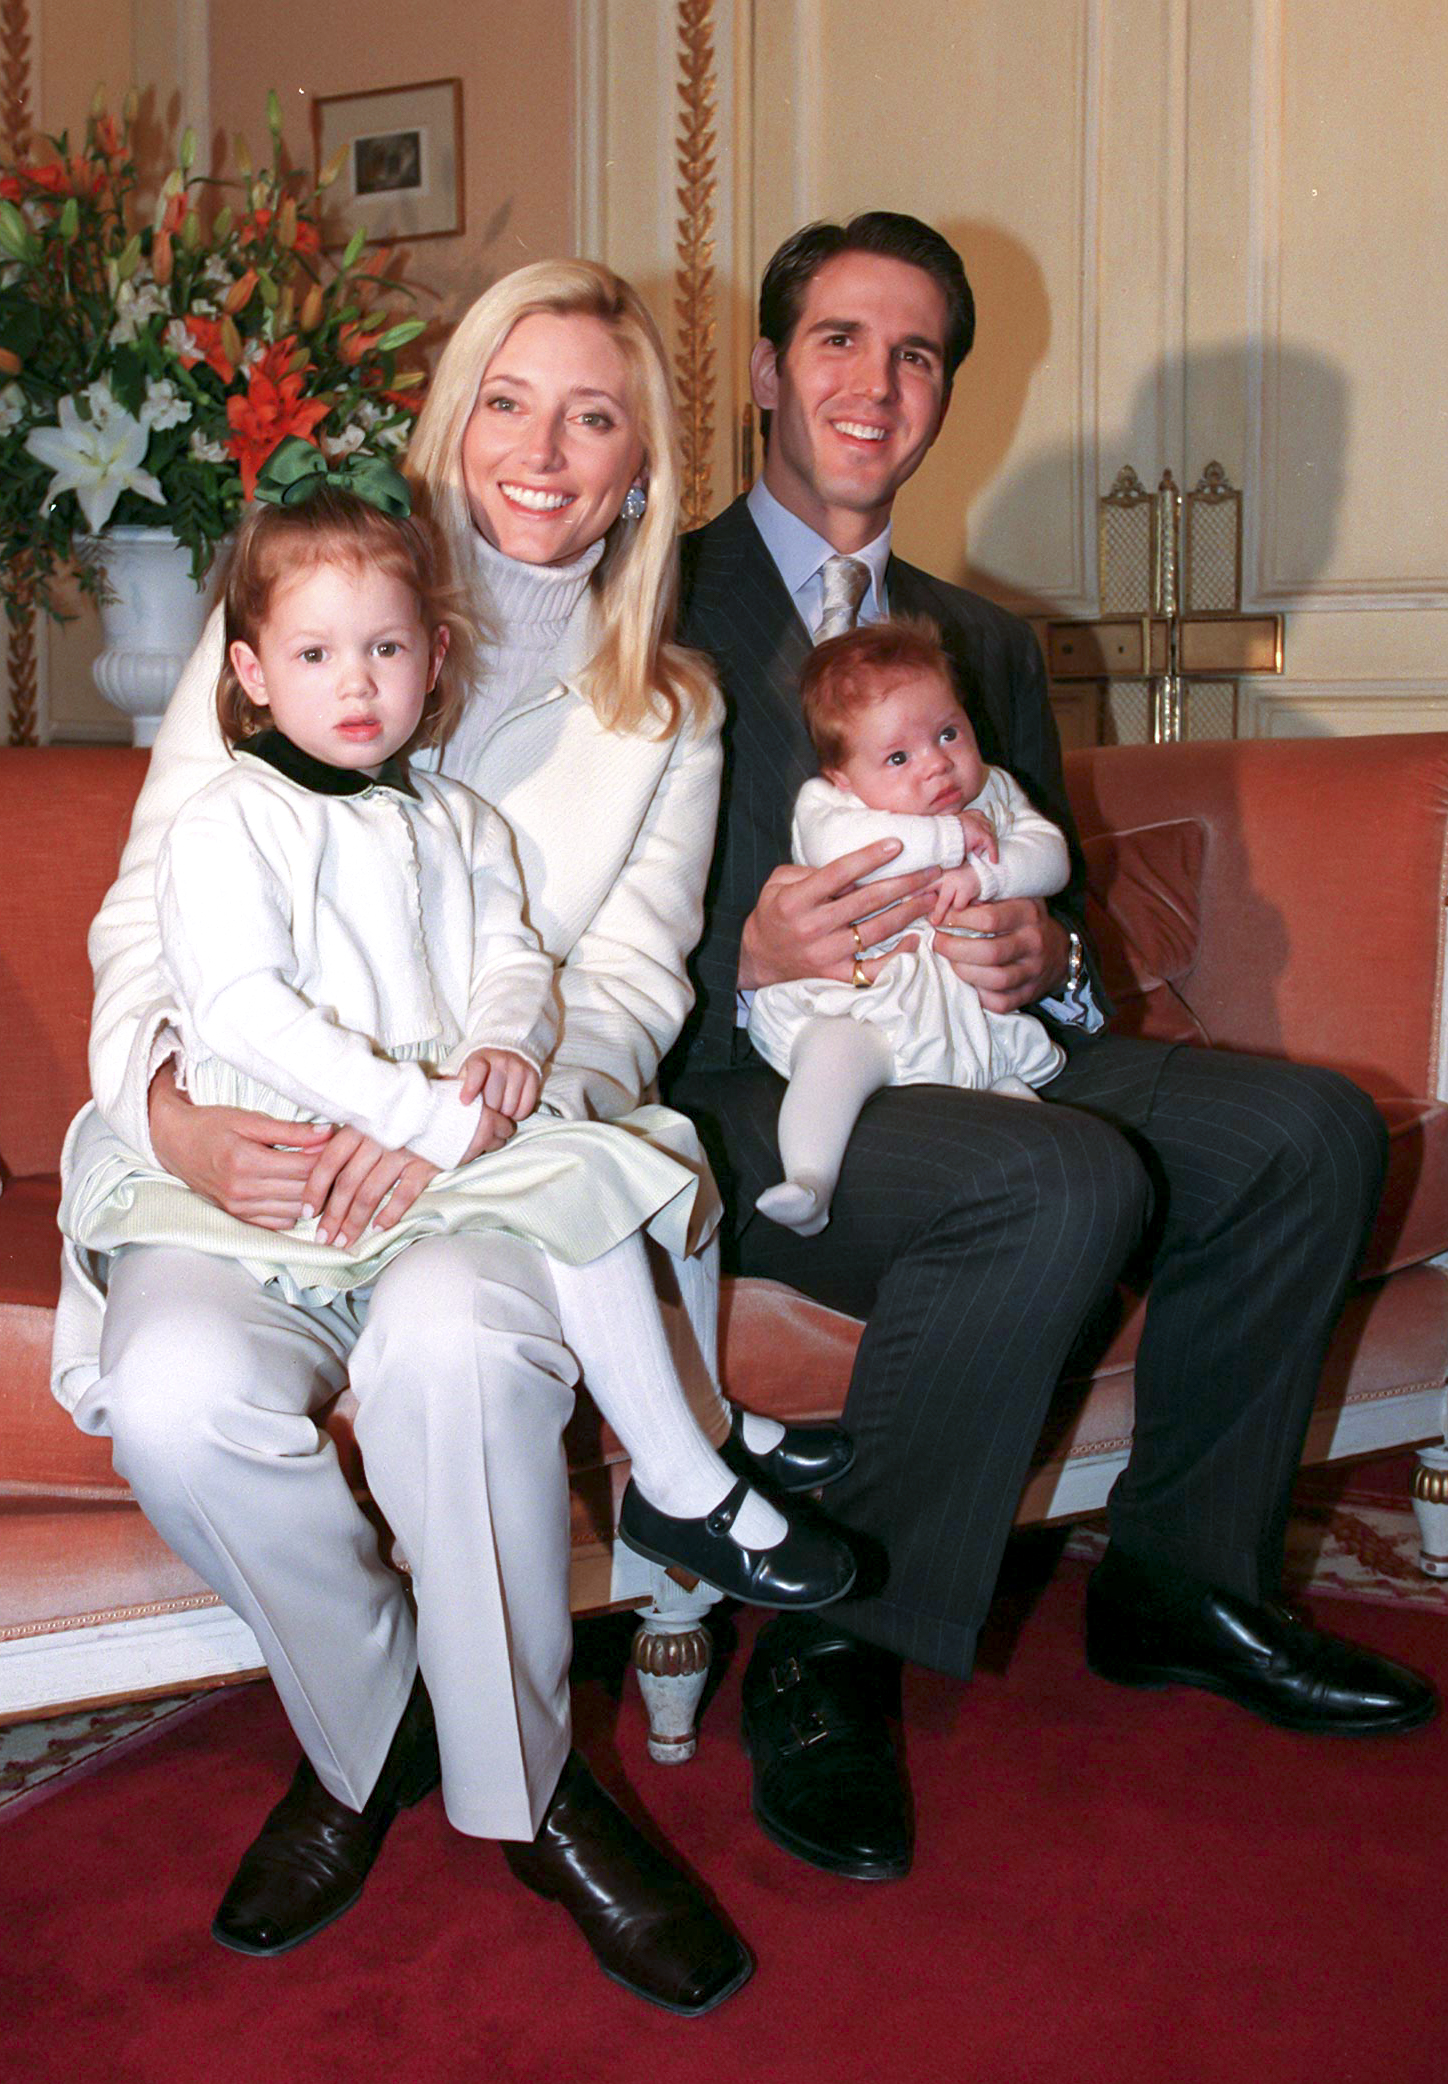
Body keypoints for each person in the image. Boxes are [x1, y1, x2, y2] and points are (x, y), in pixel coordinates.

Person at [52, 261, 844, 2013]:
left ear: (643, 466)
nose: (541, 449)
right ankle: (374, 1729)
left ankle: (533, 1791)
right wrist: (176, 1110)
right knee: (182, 1396)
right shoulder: (297, 611)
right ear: (451, 415)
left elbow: (621, 990)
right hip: (242, 1145)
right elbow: (144, 913)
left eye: (593, 413)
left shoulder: (672, 712)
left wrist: (470, 1117)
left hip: (482, 1159)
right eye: (507, 397)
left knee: (457, 1347)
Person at [669, 210, 1432, 1887]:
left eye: (918, 352)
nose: (879, 382)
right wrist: (734, 954)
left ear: (943, 391)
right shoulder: (644, 605)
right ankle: (826, 1636)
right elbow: (540, 917)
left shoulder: (986, 643)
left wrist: (1057, 949)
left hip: (989, 1050)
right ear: (766, 374)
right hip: (763, 1083)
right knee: (1051, 1177)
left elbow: (1057, 909)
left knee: (1305, 1130)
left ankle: (1180, 1581)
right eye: (841, 341)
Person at [62, 449, 856, 1617]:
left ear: (432, 659)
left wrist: (504, 1046)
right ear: (252, 671)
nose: (355, 683)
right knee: (570, 1180)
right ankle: (694, 1459)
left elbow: (515, 959)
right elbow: (237, 1005)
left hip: (416, 1140)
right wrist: (424, 1111)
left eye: (383, 650)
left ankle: (691, 1457)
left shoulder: (452, 814)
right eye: (317, 656)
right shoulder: (232, 813)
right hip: (292, 1141)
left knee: (583, 1174)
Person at [749, 616, 1068, 1234]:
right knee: (832, 1060)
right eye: (898, 756)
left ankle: (1042, 1160)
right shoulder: (831, 805)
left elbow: (1051, 856)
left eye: (949, 733)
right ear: (843, 775)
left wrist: (988, 878)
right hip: (870, 1005)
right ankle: (810, 1180)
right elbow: (849, 842)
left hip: (973, 1014)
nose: (936, 767)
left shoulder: (996, 792)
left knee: (1020, 1104)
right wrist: (950, 838)